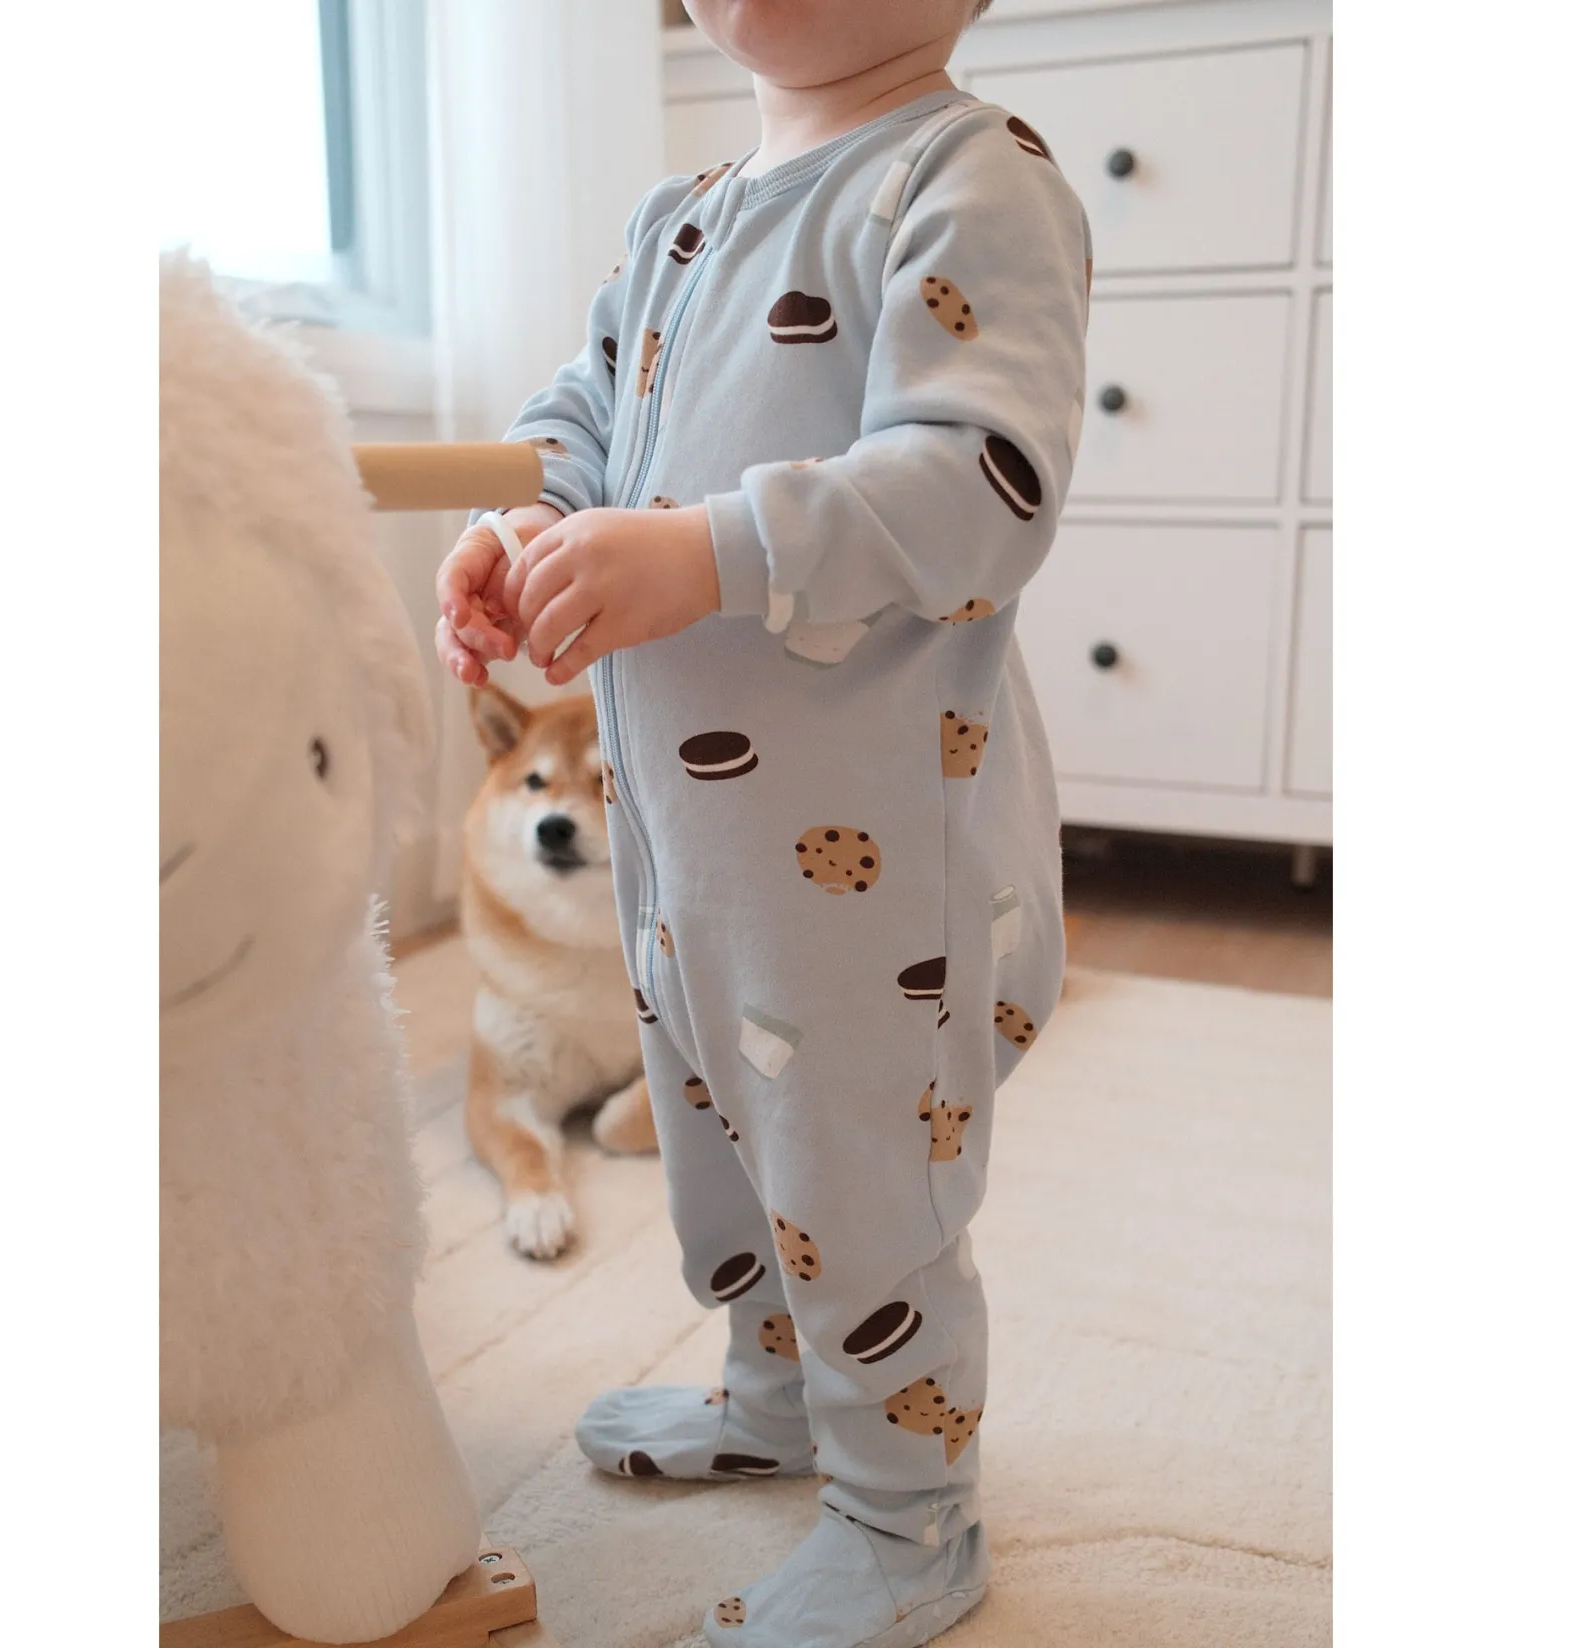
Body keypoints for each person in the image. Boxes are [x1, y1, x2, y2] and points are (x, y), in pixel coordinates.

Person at [435, 1, 1089, 1640]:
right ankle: (777, 1393)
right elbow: (580, 419)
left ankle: (908, 1515)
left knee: (857, 1180)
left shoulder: (968, 174)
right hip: (690, 846)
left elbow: (983, 483)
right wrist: (525, 525)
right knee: (724, 1143)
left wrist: (708, 550)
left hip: (876, 869)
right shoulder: (680, 217)